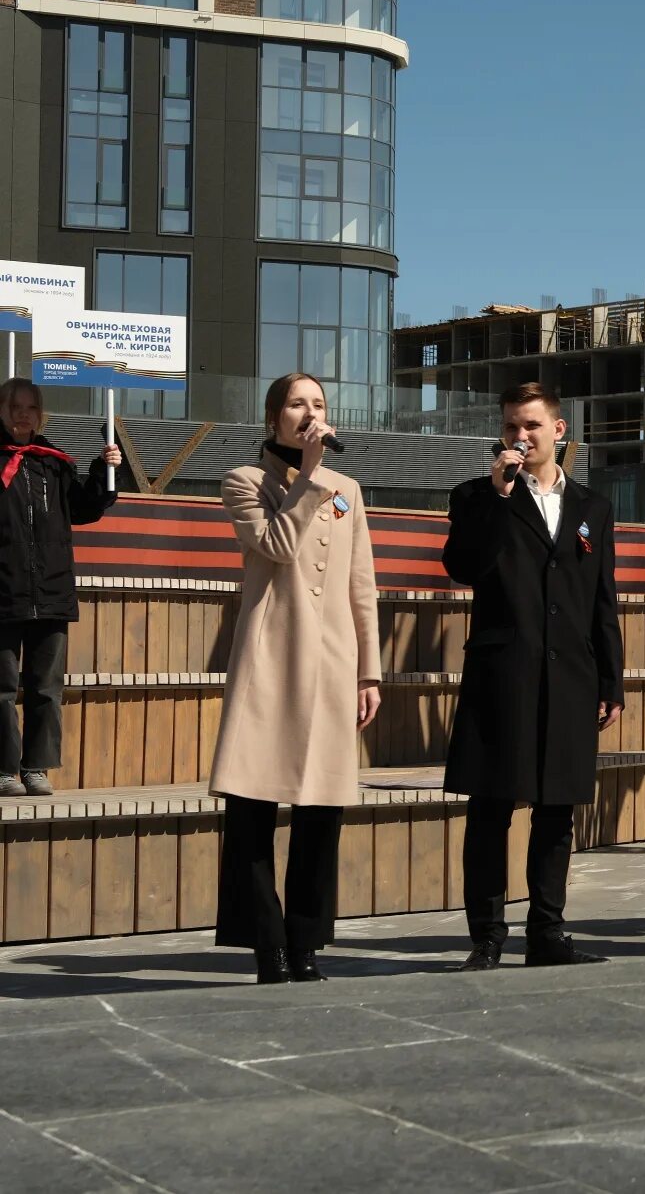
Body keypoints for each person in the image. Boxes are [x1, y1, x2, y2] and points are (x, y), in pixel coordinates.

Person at [443, 383, 623, 969]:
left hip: (571, 673)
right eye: (512, 428)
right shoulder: (475, 495)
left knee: (557, 810)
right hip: (504, 672)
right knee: (491, 807)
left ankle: (548, 931)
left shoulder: (592, 508)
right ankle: (487, 936)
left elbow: (602, 599)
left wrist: (611, 679)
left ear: (559, 430)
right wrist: (498, 498)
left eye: (532, 427)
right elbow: (463, 567)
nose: (521, 438)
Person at [208, 374, 380, 983]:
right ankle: (268, 947)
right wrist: (307, 474)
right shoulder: (244, 481)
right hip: (270, 659)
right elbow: (277, 545)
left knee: (321, 812)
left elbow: (362, 583)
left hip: (334, 662)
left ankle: (306, 943)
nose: (310, 413)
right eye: (297, 404)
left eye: (319, 404)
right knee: (252, 810)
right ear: (274, 416)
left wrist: (370, 670)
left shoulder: (347, 490)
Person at [0, 379, 120, 799]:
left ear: (40, 414)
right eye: (15, 406)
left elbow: (86, 509)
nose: (23, 414)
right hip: (3, 590)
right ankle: (2, 770)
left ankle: (35, 768)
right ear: (1, 410)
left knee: (45, 688)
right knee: (0, 687)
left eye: (31, 407)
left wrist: (104, 469)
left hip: (50, 591)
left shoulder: (54, 463)